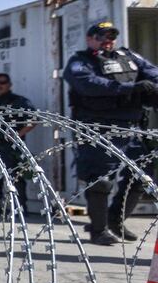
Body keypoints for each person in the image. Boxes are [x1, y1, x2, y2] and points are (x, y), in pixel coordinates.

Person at [63, 20, 158, 245]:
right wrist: (128, 88)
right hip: (99, 127)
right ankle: (99, 230)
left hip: (132, 127)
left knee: (142, 174)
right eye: (102, 36)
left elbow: (153, 72)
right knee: (101, 180)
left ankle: (116, 219)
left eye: (111, 36)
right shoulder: (80, 61)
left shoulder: (129, 57)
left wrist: (150, 86)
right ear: (90, 39)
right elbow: (87, 84)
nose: (108, 40)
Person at [0, 73, 37, 215]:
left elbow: (33, 120)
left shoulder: (18, 101)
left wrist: (17, 134)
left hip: (11, 145)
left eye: (2, 82)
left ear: (9, 84)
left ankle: (19, 207)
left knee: (15, 175)